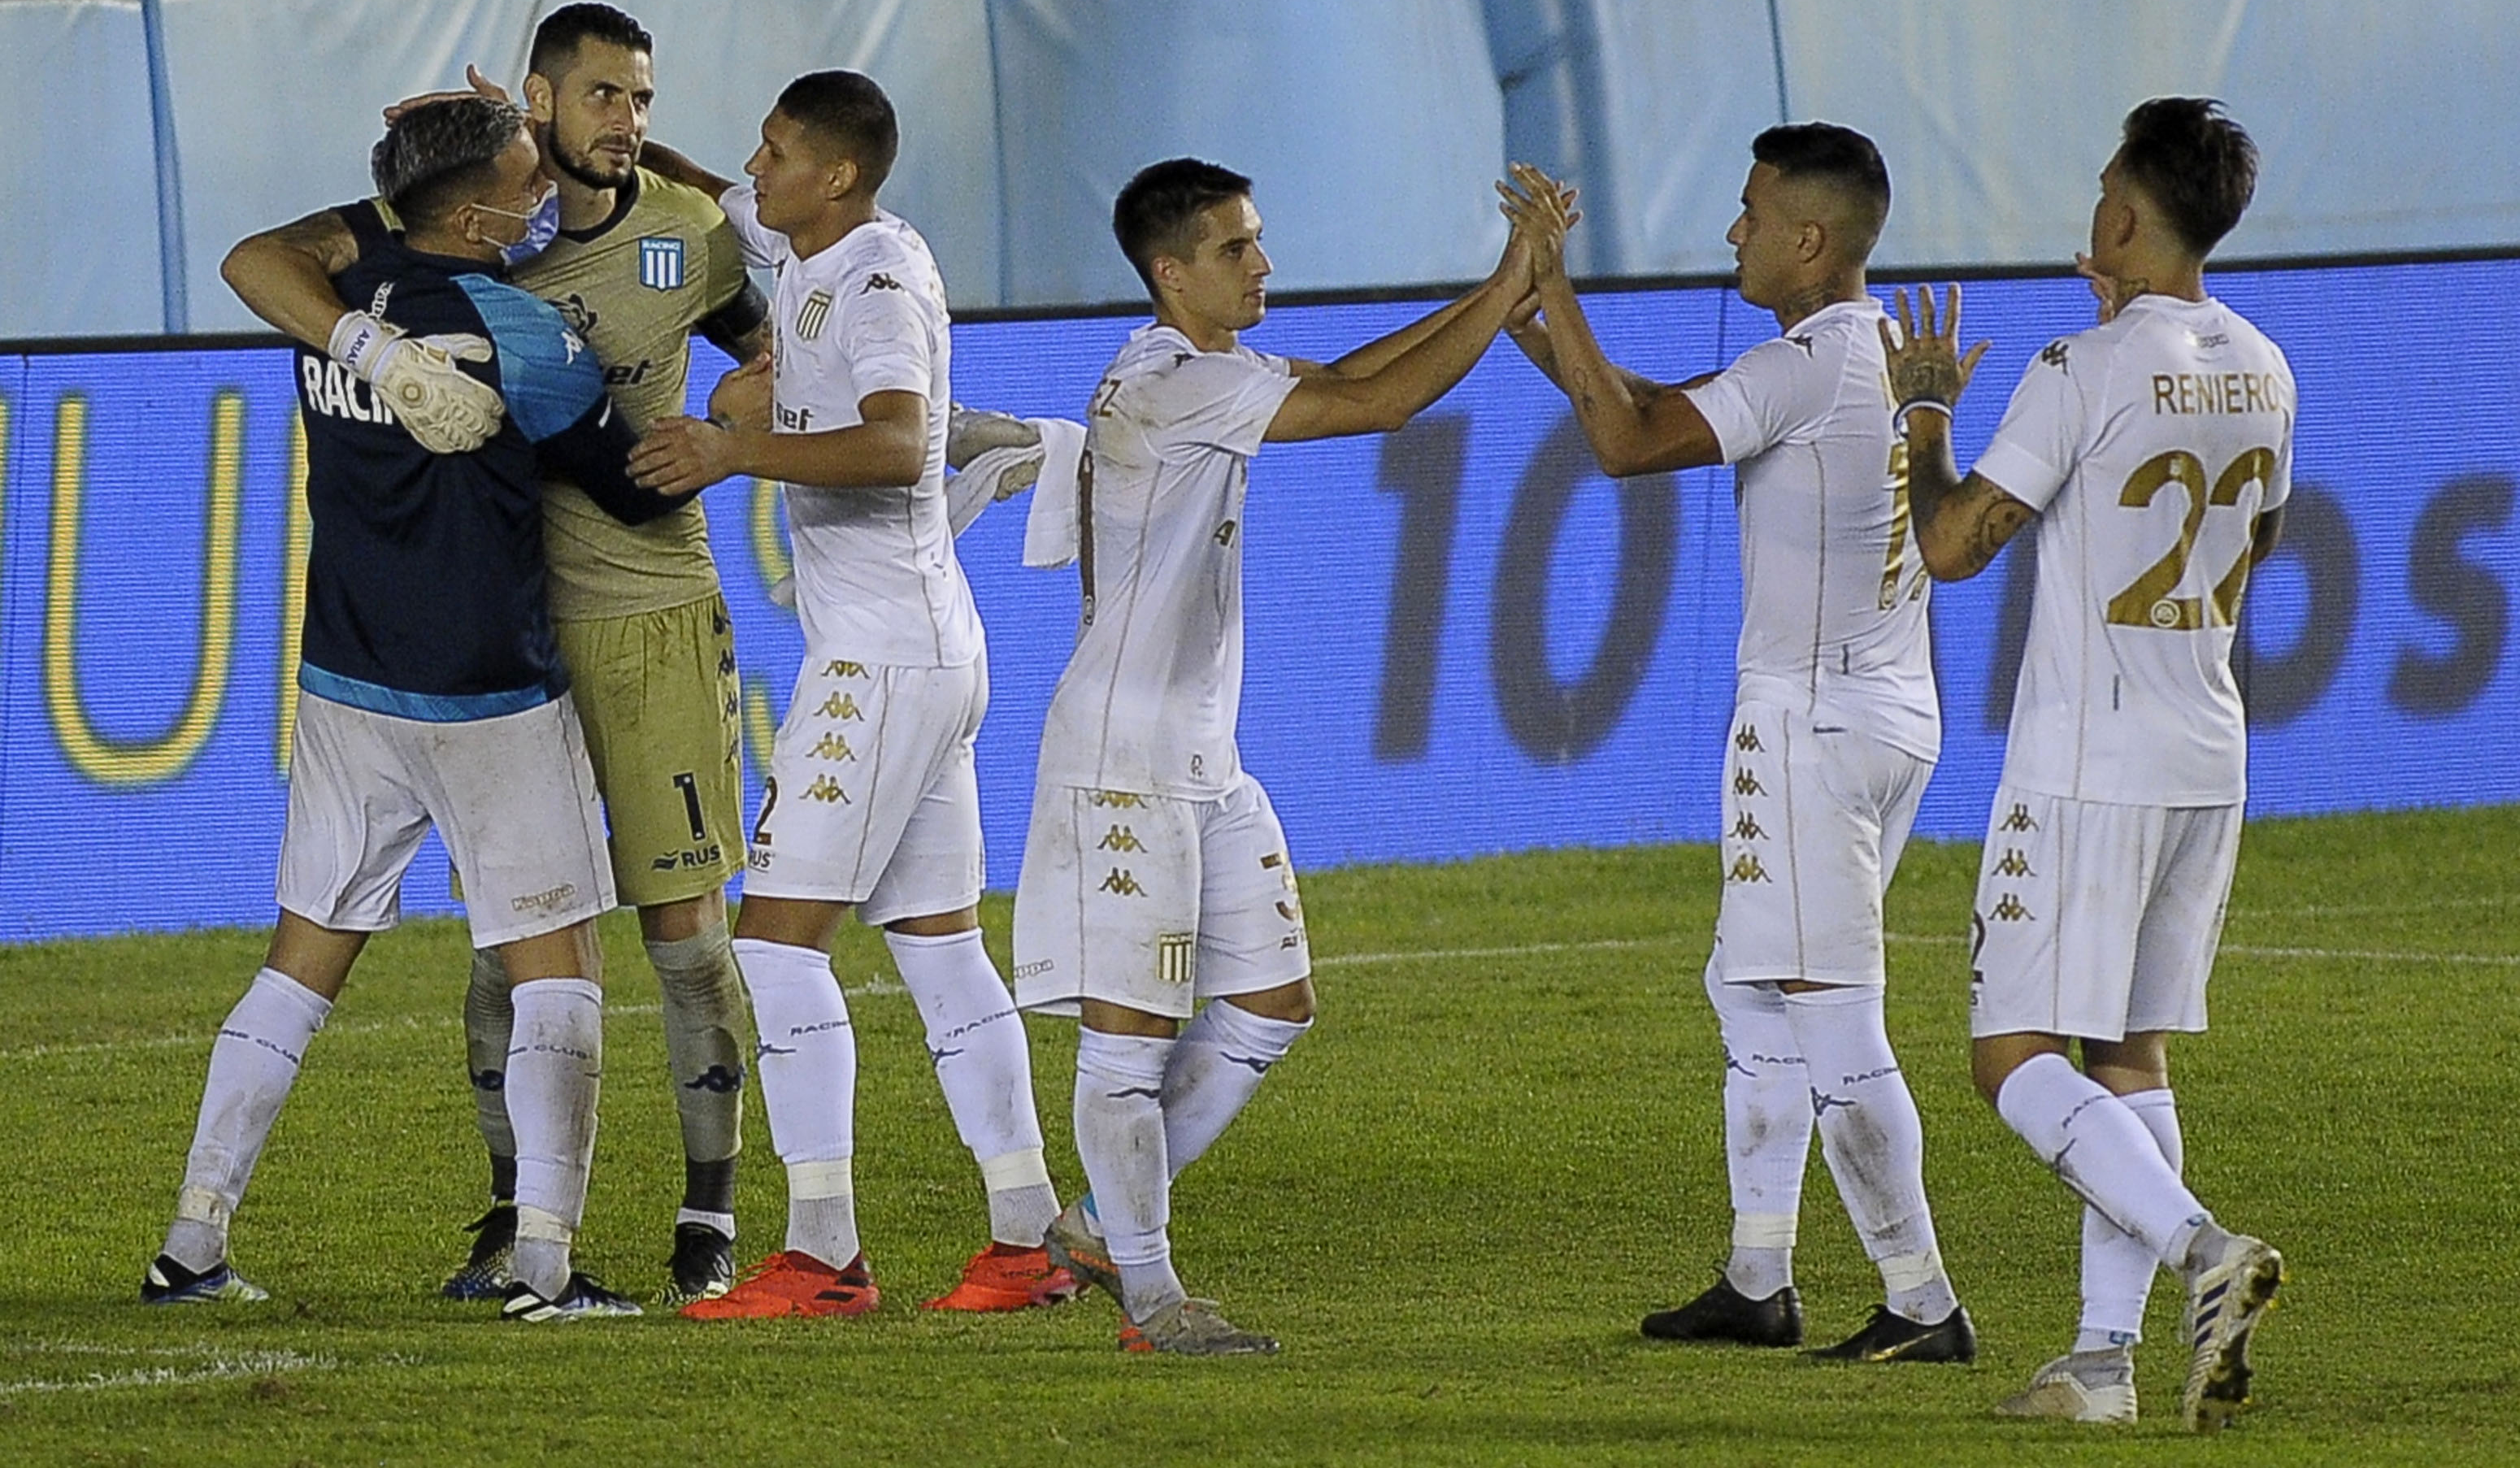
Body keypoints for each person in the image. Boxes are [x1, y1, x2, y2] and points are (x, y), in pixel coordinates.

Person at [222, 3, 771, 1306]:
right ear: (534, 104)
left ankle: (709, 1215)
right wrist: (374, 351)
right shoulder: (453, 227)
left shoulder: (687, 234)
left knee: (687, 939)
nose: (623, 121)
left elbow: (774, 347)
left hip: (648, 621)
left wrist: (749, 415)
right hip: (507, 646)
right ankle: (516, 1221)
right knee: (512, 961)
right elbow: (261, 258)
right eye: (597, 97)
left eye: (640, 97)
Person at [1006, 158, 1566, 1356]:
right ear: (1171, 272)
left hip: (1202, 755)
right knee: (1127, 1038)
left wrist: (1495, 290)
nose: (1263, 265)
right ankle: (1153, 1296)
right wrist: (1510, 279)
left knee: (1273, 1005)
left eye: (1258, 242)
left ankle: (1105, 1223)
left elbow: (1356, 373)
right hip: (1125, 760)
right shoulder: (1170, 385)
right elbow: (1381, 409)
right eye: (1235, 250)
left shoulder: (1204, 369)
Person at [147, 95, 690, 1321]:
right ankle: (547, 1265)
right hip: (490, 699)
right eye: (525, 179)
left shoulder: (334, 300)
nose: (544, 195)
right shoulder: (522, 329)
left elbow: (272, 251)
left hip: (347, 686)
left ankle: (191, 1242)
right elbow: (634, 486)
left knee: (299, 967)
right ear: (473, 210)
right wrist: (733, 432)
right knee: (560, 969)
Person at [1503, 131, 1973, 1362]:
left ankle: (1922, 1302)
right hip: (1891, 709)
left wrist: (1550, 283)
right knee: (1752, 988)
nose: (1735, 233)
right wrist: (1531, 316)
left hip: (1809, 719)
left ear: (1810, 240)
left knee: (1831, 1012)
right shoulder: (1871, 355)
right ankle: (1757, 1276)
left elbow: (1625, 443)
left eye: (1752, 211)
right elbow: (1651, 410)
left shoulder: (1807, 361)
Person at [628, 71, 1078, 1319]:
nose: (753, 170)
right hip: (926, 650)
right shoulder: (810, 238)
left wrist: (732, 447)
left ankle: (822, 1251)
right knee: (939, 950)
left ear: (835, 175)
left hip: (878, 660)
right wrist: (606, 141)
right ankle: (1029, 1235)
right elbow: (704, 190)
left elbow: (895, 442)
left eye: (775, 154)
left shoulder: (873, 282)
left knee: (774, 945)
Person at [1883, 97, 2288, 1431]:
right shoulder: (2271, 369)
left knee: (2012, 1056)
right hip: (2206, 744)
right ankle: (2102, 1365)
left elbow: (1951, 547)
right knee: (2130, 1054)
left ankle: (2203, 1253)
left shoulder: (2081, 366)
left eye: (2103, 185)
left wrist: (1927, 414)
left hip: (2084, 760)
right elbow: (2260, 552)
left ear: (2124, 214)